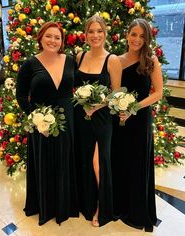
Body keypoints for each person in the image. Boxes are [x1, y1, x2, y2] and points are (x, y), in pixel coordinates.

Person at [16, 22, 79, 225]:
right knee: (44, 162)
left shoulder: (70, 61)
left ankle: (65, 206)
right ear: (41, 38)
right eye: (48, 36)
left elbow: (78, 88)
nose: (53, 41)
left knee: (64, 161)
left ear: (62, 41)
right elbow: (21, 96)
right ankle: (45, 206)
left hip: (67, 122)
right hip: (41, 124)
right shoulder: (29, 64)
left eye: (57, 37)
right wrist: (35, 119)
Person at [111, 18, 163, 232]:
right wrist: (120, 108)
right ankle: (120, 206)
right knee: (120, 161)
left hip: (140, 120)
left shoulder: (151, 61)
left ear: (147, 39)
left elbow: (158, 93)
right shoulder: (117, 60)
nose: (137, 39)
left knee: (137, 163)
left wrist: (133, 107)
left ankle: (137, 211)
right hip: (120, 119)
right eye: (134, 34)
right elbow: (114, 91)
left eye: (142, 36)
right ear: (127, 35)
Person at [74, 15, 122, 227]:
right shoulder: (79, 56)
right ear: (86, 34)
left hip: (101, 118)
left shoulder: (112, 60)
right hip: (81, 116)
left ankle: (103, 208)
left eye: (99, 31)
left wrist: (98, 105)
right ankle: (87, 202)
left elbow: (116, 93)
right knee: (84, 159)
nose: (95, 35)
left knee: (98, 162)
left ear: (105, 33)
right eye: (91, 31)